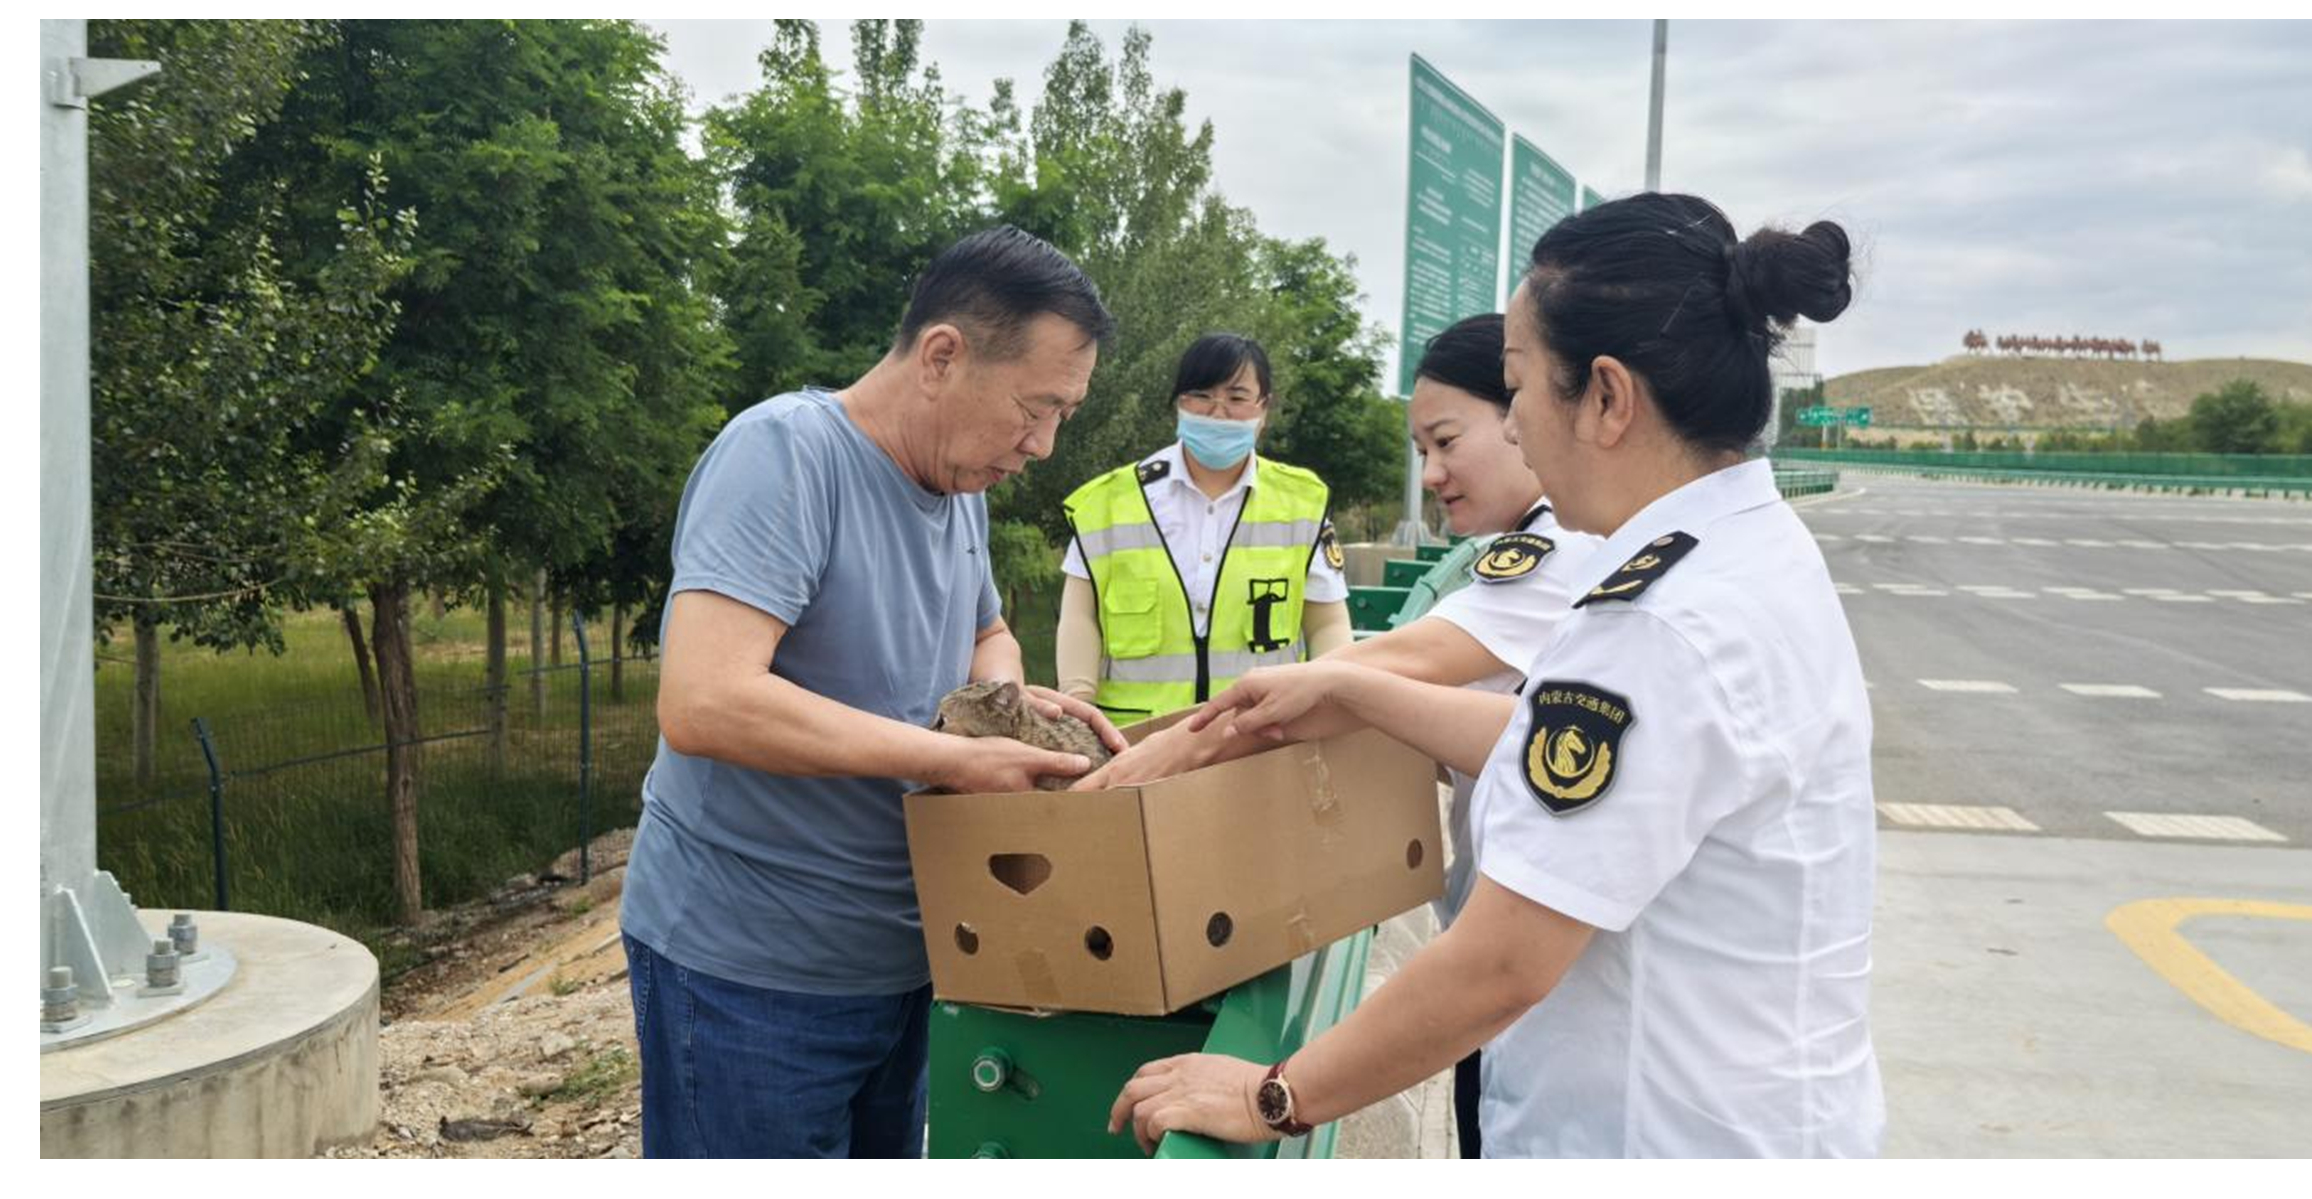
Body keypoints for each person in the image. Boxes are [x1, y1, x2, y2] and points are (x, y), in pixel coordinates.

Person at [1108, 195, 1880, 1161]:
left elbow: (1502, 960)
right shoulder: (1748, 553)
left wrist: (1275, 1096)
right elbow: (1592, 769)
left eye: (1515, 386)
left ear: (1605, 395)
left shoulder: (1653, 624)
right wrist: (1347, 691)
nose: (1512, 424)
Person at [616, 227, 1127, 1159]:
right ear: (943, 356)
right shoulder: (784, 459)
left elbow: (987, 633)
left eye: (1063, 415)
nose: (1044, 444)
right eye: (1036, 408)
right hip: (751, 975)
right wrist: (958, 760)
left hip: (904, 962)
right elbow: (704, 699)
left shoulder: (958, 483)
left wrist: (1013, 707)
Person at [1057, 332, 1350, 726]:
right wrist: (1078, 702)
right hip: (1132, 740)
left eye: (1237, 397)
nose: (1218, 412)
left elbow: (1327, 623)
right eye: (1202, 394)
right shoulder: (1108, 503)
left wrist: (1330, 700)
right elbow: (1079, 616)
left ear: (1264, 409)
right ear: (1180, 401)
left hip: (1256, 734)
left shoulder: (1303, 503)